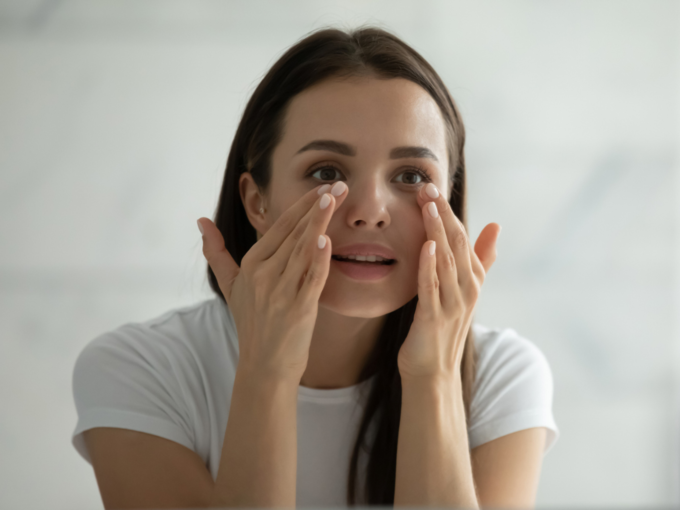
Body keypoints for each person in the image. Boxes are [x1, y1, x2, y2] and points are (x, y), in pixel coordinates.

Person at [71, 26, 559, 508]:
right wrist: (268, 370)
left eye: (411, 176)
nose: (370, 209)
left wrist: (433, 377)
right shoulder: (140, 371)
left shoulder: (502, 377)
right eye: (327, 172)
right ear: (257, 201)